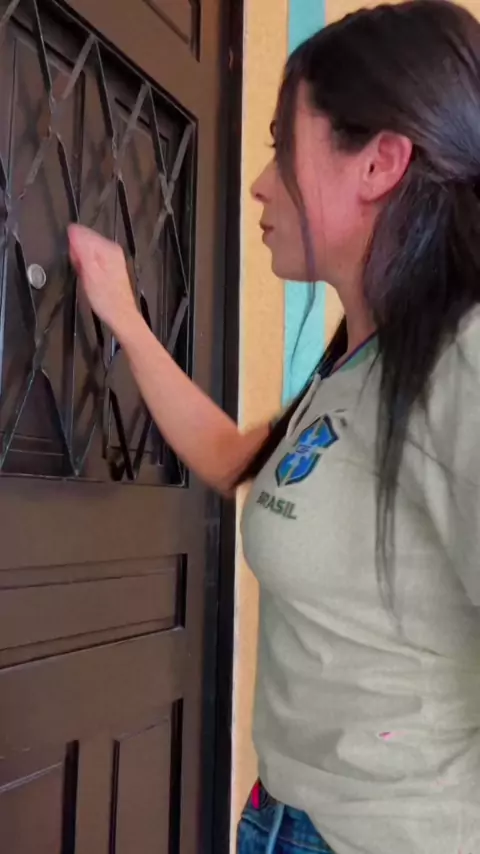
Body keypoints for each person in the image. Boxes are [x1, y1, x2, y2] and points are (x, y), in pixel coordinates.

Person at [67, 2, 480, 852]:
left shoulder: (463, 362)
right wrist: (124, 318)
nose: (259, 183)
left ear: (380, 163)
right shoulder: (360, 364)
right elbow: (233, 456)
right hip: (282, 819)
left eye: (281, 147)